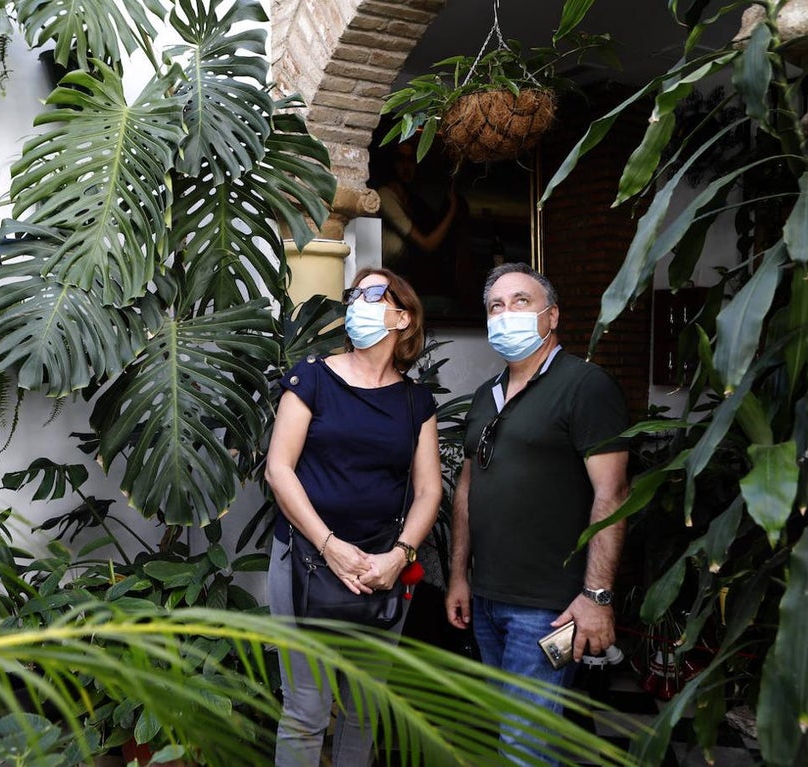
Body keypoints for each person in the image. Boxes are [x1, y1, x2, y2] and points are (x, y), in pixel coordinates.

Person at [445, 263, 630, 765]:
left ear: (553, 317)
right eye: (496, 307)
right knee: (510, 732)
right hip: (486, 600)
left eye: (521, 302)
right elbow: (468, 488)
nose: (507, 315)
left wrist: (597, 597)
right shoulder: (488, 395)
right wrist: (459, 576)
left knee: (523, 746)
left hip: (551, 609)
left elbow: (612, 497)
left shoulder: (585, 386)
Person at [265, 268, 442, 767]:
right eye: (354, 294)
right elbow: (279, 469)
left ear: (402, 317)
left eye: (371, 293)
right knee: (306, 710)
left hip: (382, 569)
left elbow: (430, 489)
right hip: (306, 559)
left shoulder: (415, 401)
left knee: (363, 709)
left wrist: (398, 556)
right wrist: (329, 545)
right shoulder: (312, 378)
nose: (356, 301)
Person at [376, 141, 460, 274]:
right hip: (385, 273)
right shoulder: (385, 196)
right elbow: (427, 244)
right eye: (400, 159)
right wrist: (453, 209)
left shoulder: (411, 201)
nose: (406, 166)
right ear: (392, 163)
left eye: (411, 160)